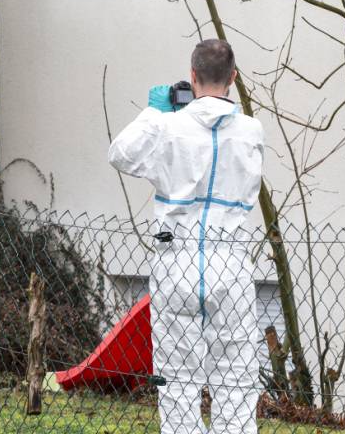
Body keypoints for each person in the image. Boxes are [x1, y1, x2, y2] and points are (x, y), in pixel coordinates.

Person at [108, 39, 263, 434]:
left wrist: (155, 112)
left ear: (191, 76)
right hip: (230, 261)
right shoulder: (251, 130)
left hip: (176, 258)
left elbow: (121, 154)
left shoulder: (166, 126)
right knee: (236, 378)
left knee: (177, 381)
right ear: (234, 77)